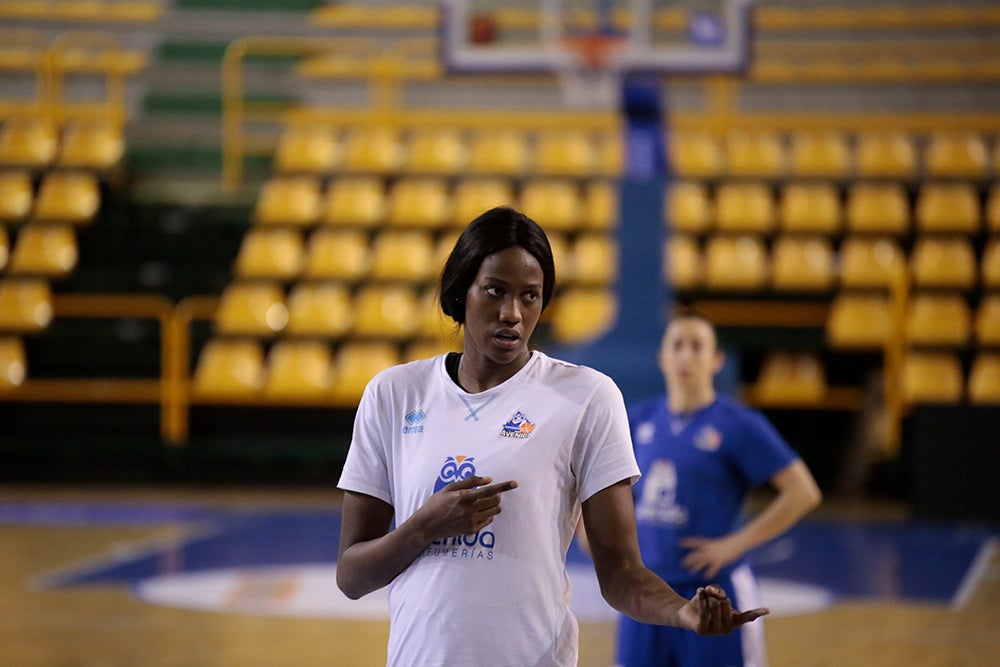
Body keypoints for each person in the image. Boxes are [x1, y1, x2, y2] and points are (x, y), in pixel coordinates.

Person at [336, 207, 769, 667]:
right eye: (495, 291)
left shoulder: (587, 397)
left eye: (530, 296)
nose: (512, 313)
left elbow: (621, 573)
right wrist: (424, 527)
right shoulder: (393, 394)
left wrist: (681, 613)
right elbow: (351, 575)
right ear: (460, 291)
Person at [581, 309, 822, 667]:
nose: (686, 355)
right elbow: (592, 491)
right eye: (677, 345)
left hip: (714, 592)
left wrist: (735, 544)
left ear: (717, 359)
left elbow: (803, 492)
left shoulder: (738, 424)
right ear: (662, 356)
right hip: (647, 593)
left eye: (697, 346)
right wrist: (598, 546)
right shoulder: (638, 419)